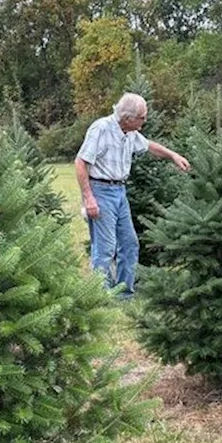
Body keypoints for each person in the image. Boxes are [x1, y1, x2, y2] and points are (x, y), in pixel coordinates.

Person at [76, 93, 190, 297]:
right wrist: (89, 197)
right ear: (128, 118)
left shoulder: (129, 132)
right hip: (101, 191)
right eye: (142, 117)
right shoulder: (101, 129)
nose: (144, 121)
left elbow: (149, 146)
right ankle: (100, 295)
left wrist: (173, 155)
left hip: (120, 192)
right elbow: (81, 162)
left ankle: (124, 294)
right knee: (105, 248)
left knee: (129, 243)